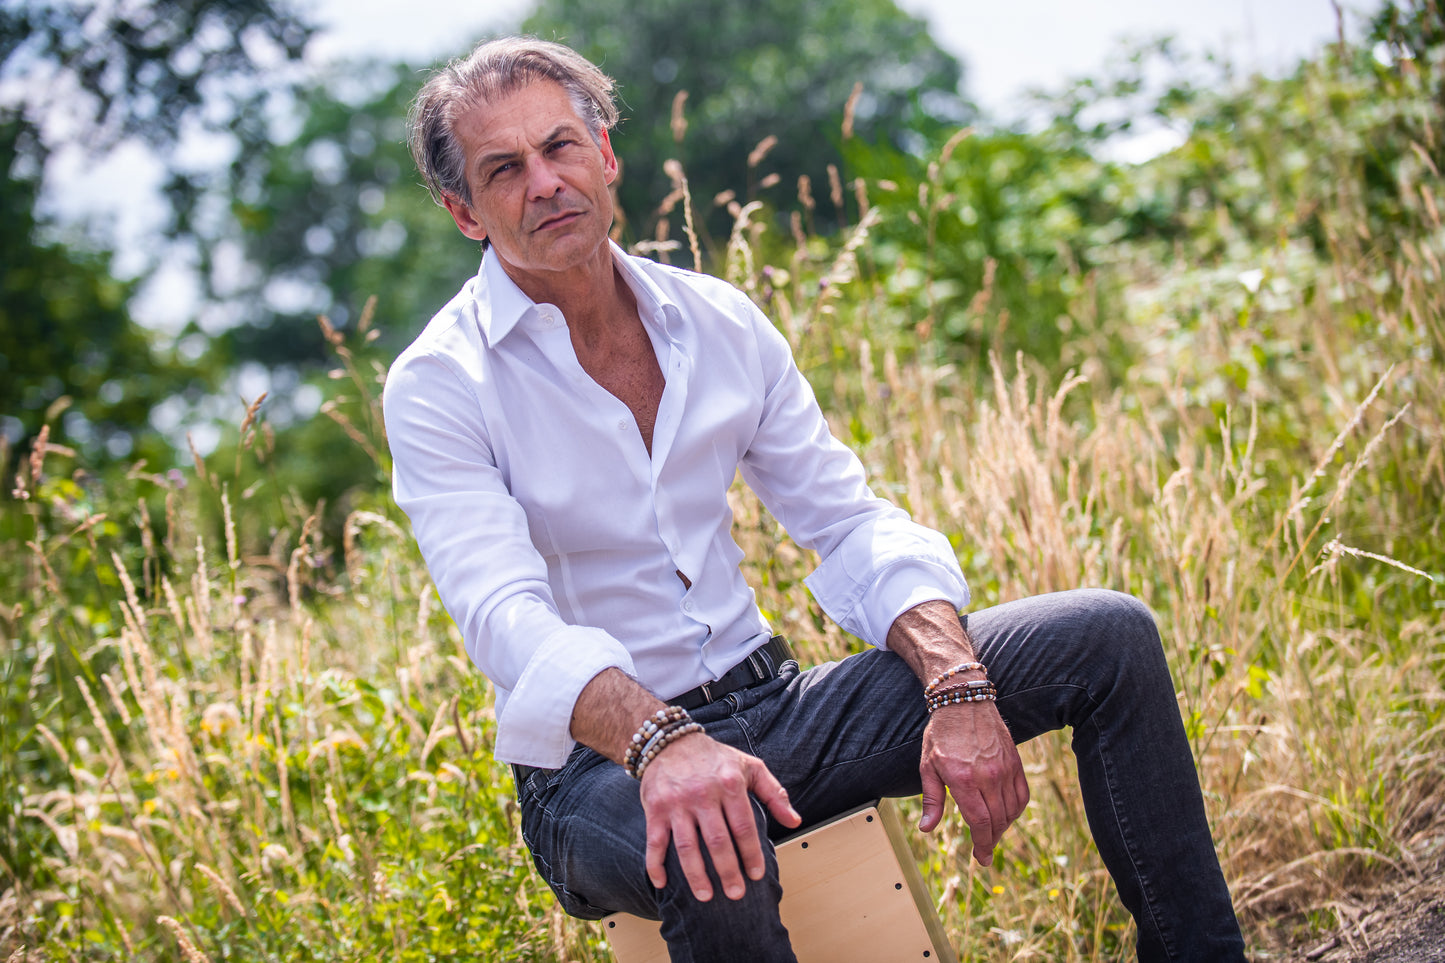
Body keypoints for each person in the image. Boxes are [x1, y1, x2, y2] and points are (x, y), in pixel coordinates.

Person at [382, 36, 1248, 962]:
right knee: (712, 831)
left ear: (604, 154)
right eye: (503, 169)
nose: (545, 182)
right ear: (464, 211)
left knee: (1108, 636)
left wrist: (953, 675)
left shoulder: (715, 319)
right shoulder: (440, 382)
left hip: (775, 706)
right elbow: (503, 615)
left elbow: (845, 519)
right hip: (593, 773)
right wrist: (660, 740)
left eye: (559, 146)